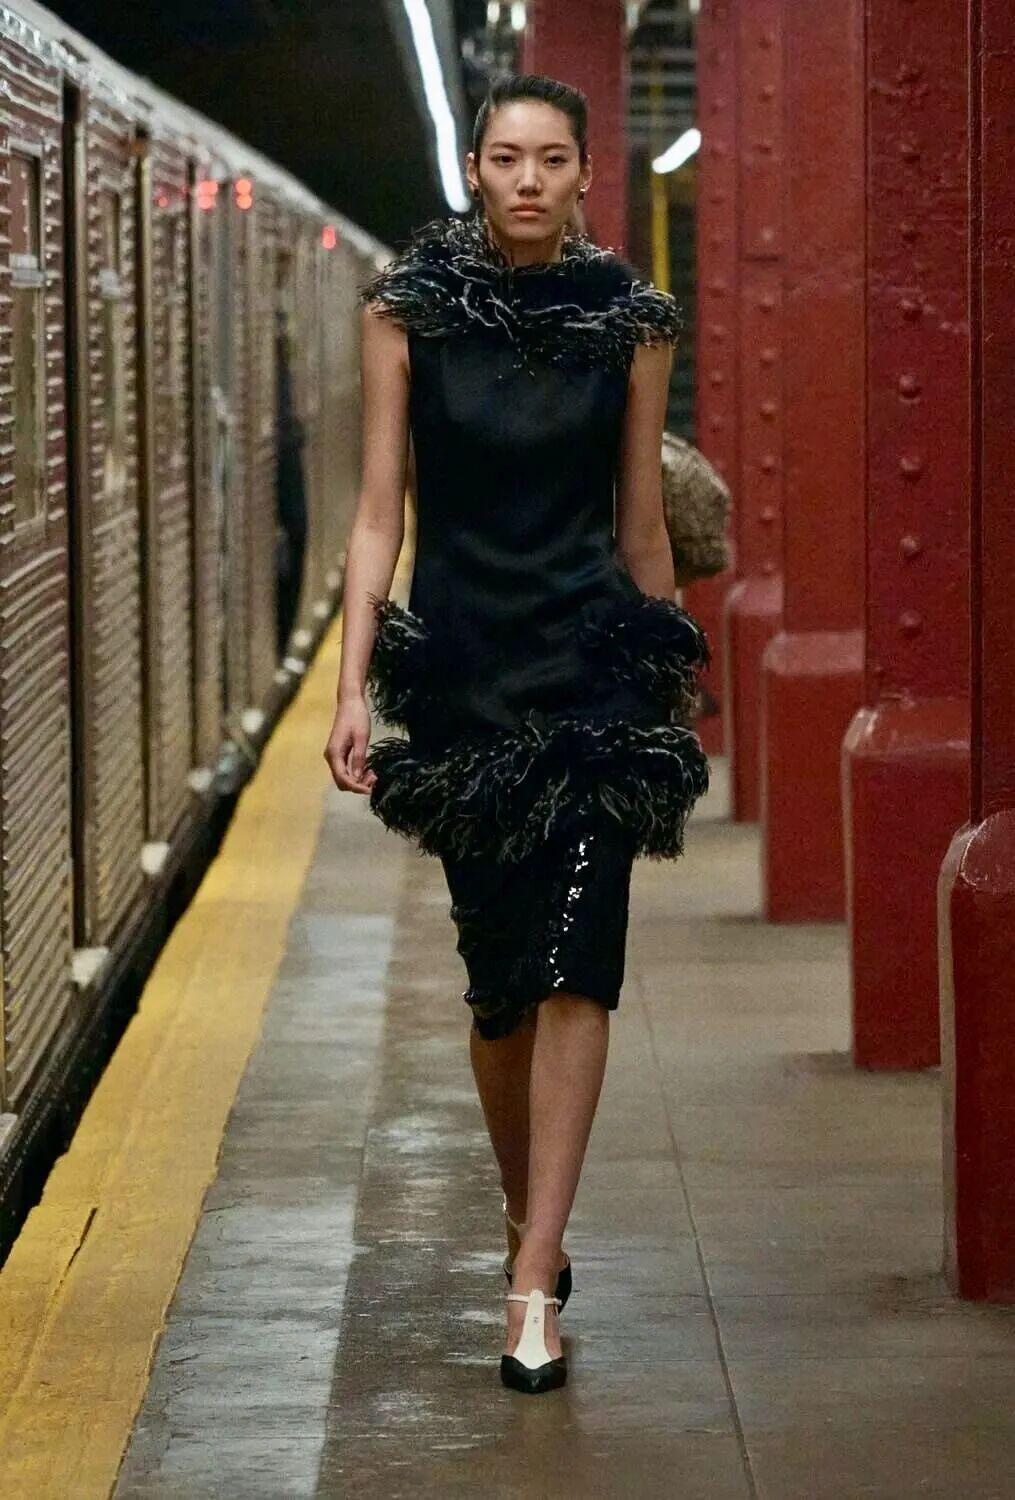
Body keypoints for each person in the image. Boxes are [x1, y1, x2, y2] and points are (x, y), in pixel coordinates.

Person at [324, 73, 710, 1396]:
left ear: (587, 174)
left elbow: (641, 524)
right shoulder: (406, 317)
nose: (529, 179)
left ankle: (534, 1273)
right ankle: (522, 1214)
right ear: (477, 171)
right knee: (499, 991)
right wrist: (351, 686)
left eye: (552, 158)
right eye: (506, 157)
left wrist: (672, 685)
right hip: (464, 681)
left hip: (593, 673)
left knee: (576, 966)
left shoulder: (632, 326)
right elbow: (380, 513)